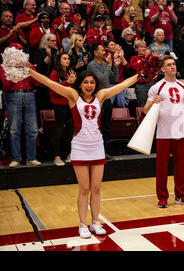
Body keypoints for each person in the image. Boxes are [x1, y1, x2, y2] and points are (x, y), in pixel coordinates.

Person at [28, 62, 140, 239]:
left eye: (92, 82)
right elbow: (51, 84)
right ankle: (82, 224)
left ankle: (95, 222)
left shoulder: (101, 96)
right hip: (80, 147)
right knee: (84, 188)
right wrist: (30, 71)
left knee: (96, 188)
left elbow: (121, 86)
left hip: (97, 146)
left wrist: (139, 76)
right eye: (86, 82)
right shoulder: (73, 95)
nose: (89, 85)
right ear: (80, 84)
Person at [144, 55, 184, 208]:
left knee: (181, 167)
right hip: (163, 133)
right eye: (169, 65)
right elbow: (145, 110)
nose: (172, 67)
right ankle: (162, 197)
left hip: (181, 132)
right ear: (163, 69)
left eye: (174, 64)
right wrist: (152, 103)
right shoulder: (157, 87)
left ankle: (181, 196)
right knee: (161, 168)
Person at [0, 43, 41, 168]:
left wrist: (30, 68)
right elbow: (6, 85)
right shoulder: (4, 66)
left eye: (21, 51)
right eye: (16, 51)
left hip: (29, 95)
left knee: (33, 129)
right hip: (13, 95)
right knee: (14, 129)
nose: (19, 53)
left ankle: (31, 158)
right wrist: (13, 70)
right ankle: (16, 159)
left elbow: (37, 83)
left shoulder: (29, 65)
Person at [48, 52, 76, 166]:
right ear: (59, 60)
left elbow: (72, 89)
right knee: (59, 131)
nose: (67, 60)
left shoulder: (70, 72)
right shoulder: (54, 73)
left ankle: (70, 154)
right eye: (64, 58)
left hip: (70, 104)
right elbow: (53, 90)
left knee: (71, 130)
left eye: (68, 58)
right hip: (59, 105)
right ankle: (57, 156)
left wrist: (73, 83)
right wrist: (66, 83)